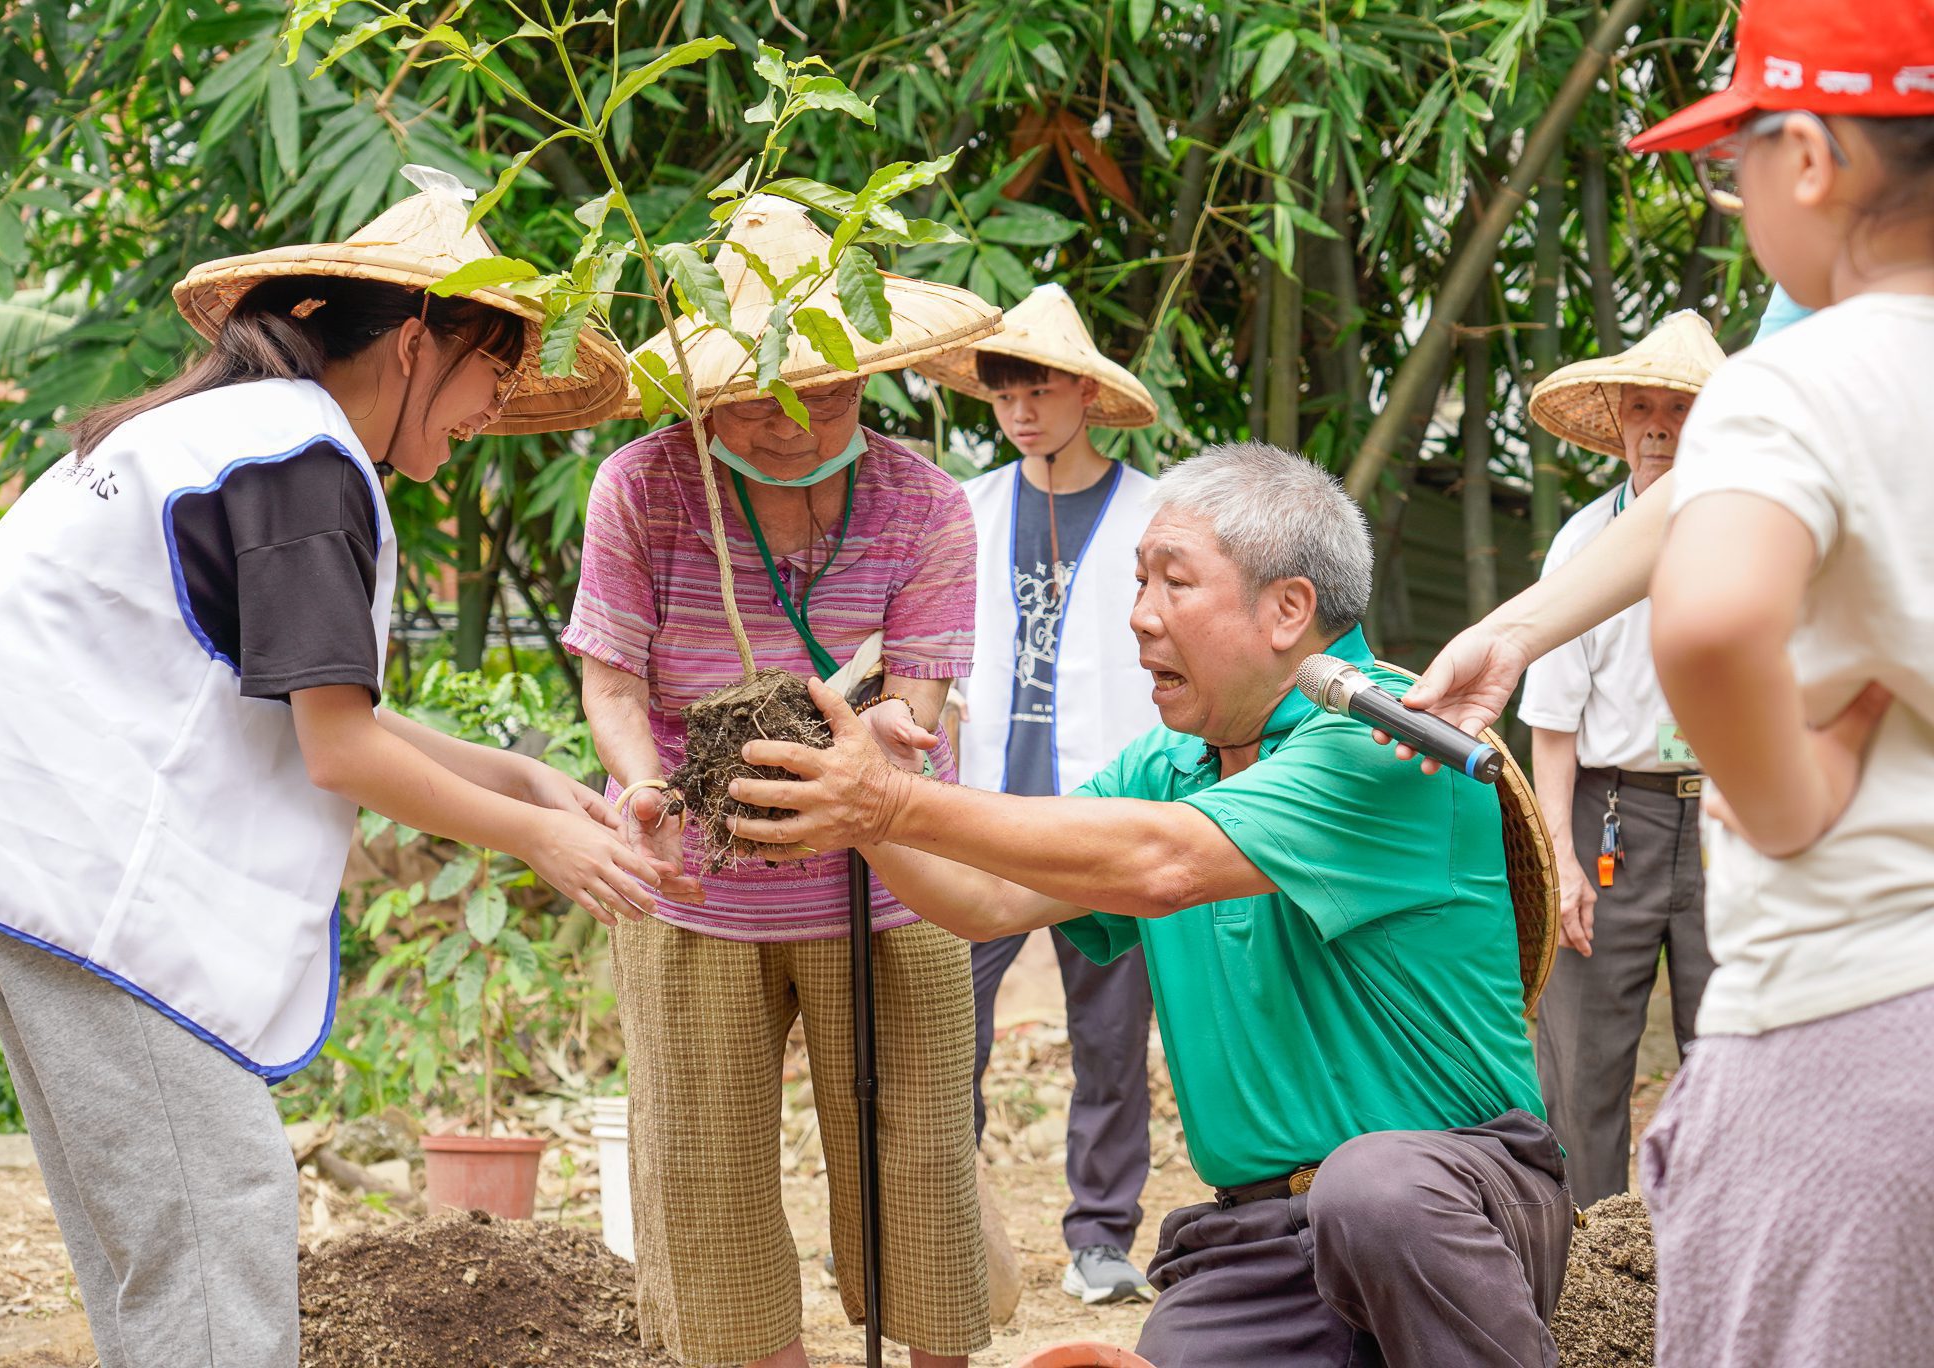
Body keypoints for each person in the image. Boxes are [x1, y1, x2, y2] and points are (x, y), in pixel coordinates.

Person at [0, 165, 661, 1368]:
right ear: (417, 344)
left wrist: (521, 780)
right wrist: (541, 841)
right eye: (489, 382)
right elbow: (338, 745)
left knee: (155, 1239)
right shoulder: (302, 464)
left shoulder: (228, 435)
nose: (482, 426)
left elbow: (312, 703)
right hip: (82, 876)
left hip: (6, 841)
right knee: (213, 1218)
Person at [718, 441, 1571, 1368]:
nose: (1138, 618)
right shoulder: (1165, 767)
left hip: (1449, 1204)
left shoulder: (1390, 746)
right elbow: (986, 898)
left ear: (1288, 609)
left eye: (1174, 584)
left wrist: (891, 803)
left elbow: (1169, 864)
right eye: (1138, 582)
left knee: (1374, 1192)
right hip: (1257, 1241)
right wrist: (866, 808)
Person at [1399, 2, 1934, 1360]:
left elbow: (1710, 620)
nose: (1733, 190)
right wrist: (1517, 629)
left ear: (1808, 158)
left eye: (1733, 159)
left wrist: (1788, 791)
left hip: (1855, 1011)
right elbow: (1713, 493)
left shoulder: (1799, 379)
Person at [563, 195, 1002, 1368]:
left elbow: (917, 693)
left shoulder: (924, 505)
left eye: (828, 391)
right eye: (758, 399)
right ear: (706, 385)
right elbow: (612, 684)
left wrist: (885, 754)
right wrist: (649, 786)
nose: (794, 426)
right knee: (704, 1180)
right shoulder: (642, 487)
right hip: (698, 886)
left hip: (892, 880)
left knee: (917, 1166)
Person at [913, 283, 1163, 1305]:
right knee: (943, 1032)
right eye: (1004, 386)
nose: (1021, 406)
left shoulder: (1156, 516)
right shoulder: (961, 510)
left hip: (1102, 812)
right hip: (982, 821)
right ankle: (941, 1222)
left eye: (1041, 385)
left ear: (1086, 394)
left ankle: (1101, 1239)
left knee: (1110, 1037)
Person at [1517, 311, 1727, 1204]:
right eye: (1640, 406)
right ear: (1617, 424)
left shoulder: (1755, 534)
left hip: (1729, 811)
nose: (1655, 425)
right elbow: (1552, 723)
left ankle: (1724, 1264)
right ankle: (1591, 1279)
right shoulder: (1583, 544)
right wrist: (1560, 861)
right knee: (1584, 1062)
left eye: (1678, 409)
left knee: (1730, 1051)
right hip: (1611, 816)